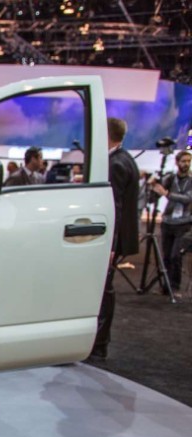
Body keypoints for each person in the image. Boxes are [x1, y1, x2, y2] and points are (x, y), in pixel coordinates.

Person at [91, 117, 140, 359]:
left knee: (103, 291)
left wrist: (109, 245)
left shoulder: (116, 163)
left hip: (112, 240)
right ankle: (99, 342)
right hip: (117, 238)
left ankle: (99, 344)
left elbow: (115, 208)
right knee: (105, 289)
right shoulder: (125, 159)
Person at [152, 149, 192, 290]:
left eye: (188, 161)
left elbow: (187, 199)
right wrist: (154, 186)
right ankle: (166, 286)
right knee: (167, 256)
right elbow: (157, 193)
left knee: (176, 256)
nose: (186, 164)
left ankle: (175, 286)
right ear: (177, 162)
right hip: (168, 222)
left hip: (183, 223)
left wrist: (167, 194)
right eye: (183, 161)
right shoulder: (170, 178)